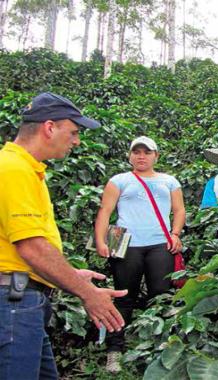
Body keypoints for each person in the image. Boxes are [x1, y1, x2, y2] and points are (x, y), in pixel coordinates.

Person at [0, 92, 126, 379]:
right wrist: (88, 294)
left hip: (23, 302)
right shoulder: (14, 169)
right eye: (74, 132)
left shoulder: (26, 170)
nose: (76, 141)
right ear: (49, 127)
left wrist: (69, 275)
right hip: (13, 306)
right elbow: (31, 247)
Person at [94, 136, 186, 372]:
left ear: (156, 156)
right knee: (124, 295)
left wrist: (175, 234)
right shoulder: (119, 180)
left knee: (161, 296)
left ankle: (159, 348)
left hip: (160, 243)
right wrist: (100, 240)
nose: (141, 156)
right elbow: (106, 211)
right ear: (129, 155)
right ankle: (115, 350)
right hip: (123, 240)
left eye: (147, 152)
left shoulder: (169, 181)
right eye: (137, 152)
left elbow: (179, 210)